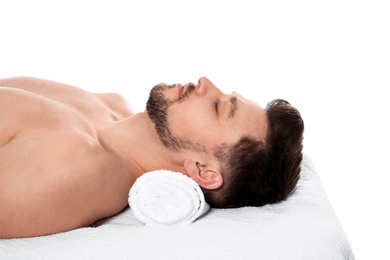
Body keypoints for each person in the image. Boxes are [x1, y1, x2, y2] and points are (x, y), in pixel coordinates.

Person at [0, 76, 304, 238]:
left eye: (218, 107)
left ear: (203, 169)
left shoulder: (78, 169)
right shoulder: (110, 106)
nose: (205, 82)